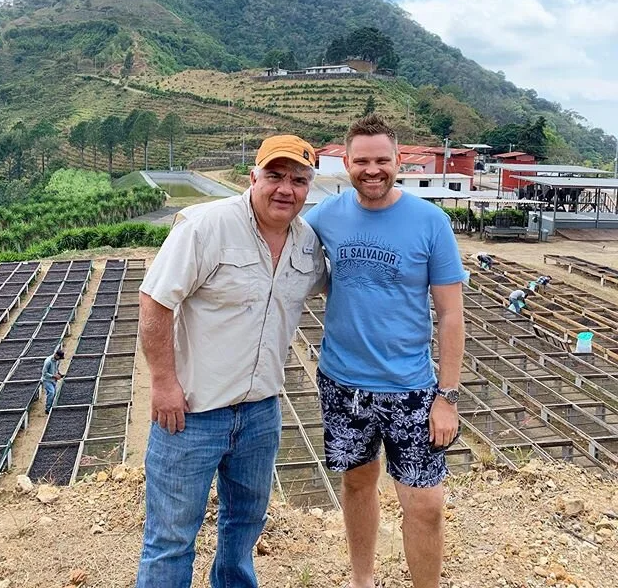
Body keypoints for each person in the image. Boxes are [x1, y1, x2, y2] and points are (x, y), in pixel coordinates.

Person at [135, 134, 327, 588]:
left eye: (298, 180)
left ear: (309, 187)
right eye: (275, 176)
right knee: (171, 539)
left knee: (243, 531)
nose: (286, 188)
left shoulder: (307, 244)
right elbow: (155, 301)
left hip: (261, 414)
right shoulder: (208, 226)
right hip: (192, 415)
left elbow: (341, 290)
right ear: (253, 176)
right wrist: (163, 383)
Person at [304, 114, 465, 588]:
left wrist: (447, 397)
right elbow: (279, 239)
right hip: (342, 384)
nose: (371, 170)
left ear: (398, 161)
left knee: (426, 504)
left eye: (381, 160)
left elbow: (451, 314)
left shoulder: (431, 222)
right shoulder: (325, 217)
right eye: (361, 161)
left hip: (411, 388)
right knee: (357, 483)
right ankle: (362, 579)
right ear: (346, 163)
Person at [41, 348, 65, 413]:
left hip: (53, 380)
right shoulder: (48, 361)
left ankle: (52, 406)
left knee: (53, 393)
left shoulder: (57, 360)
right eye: (59, 357)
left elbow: (56, 368)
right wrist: (54, 376)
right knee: (51, 393)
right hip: (47, 380)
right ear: (56, 355)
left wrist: (59, 374)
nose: (60, 359)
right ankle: (48, 409)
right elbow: (44, 373)